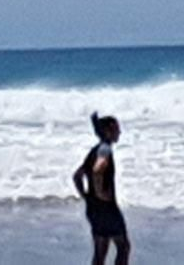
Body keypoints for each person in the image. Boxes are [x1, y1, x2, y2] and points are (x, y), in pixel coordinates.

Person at [72, 112, 130, 265]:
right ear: (109, 130)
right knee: (123, 247)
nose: (120, 132)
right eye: (117, 129)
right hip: (107, 208)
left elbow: (77, 176)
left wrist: (85, 196)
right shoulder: (105, 149)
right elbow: (98, 169)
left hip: (93, 208)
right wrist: (100, 192)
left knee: (100, 251)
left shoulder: (93, 150)